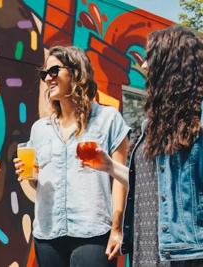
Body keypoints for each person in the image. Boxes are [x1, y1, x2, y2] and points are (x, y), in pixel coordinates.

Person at [81, 26, 203, 267]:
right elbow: (150, 186)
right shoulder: (152, 123)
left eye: (150, 58)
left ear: (170, 64)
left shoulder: (197, 120)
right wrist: (109, 166)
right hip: (147, 246)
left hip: (184, 254)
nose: (144, 66)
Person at [14, 46, 130, 267]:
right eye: (44, 74)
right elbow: (37, 182)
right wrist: (32, 175)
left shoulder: (108, 119)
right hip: (48, 235)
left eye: (54, 71)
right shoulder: (40, 129)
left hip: (93, 232)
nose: (48, 78)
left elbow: (119, 180)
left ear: (77, 72)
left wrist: (117, 228)